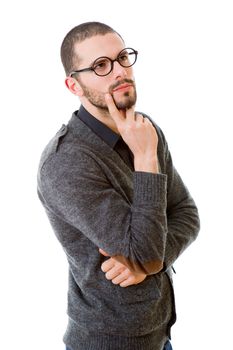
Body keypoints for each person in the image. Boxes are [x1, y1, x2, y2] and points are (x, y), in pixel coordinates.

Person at [37, 21, 200, 350]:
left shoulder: (145, 130)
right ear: (74, 86)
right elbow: (145, 252)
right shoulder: (66, 163)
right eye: (100, 66)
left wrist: (149, 263)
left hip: (160, 334)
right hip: (107, 341)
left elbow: (186, 213)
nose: (119, 72)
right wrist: (146, 161)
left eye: (123, 57)